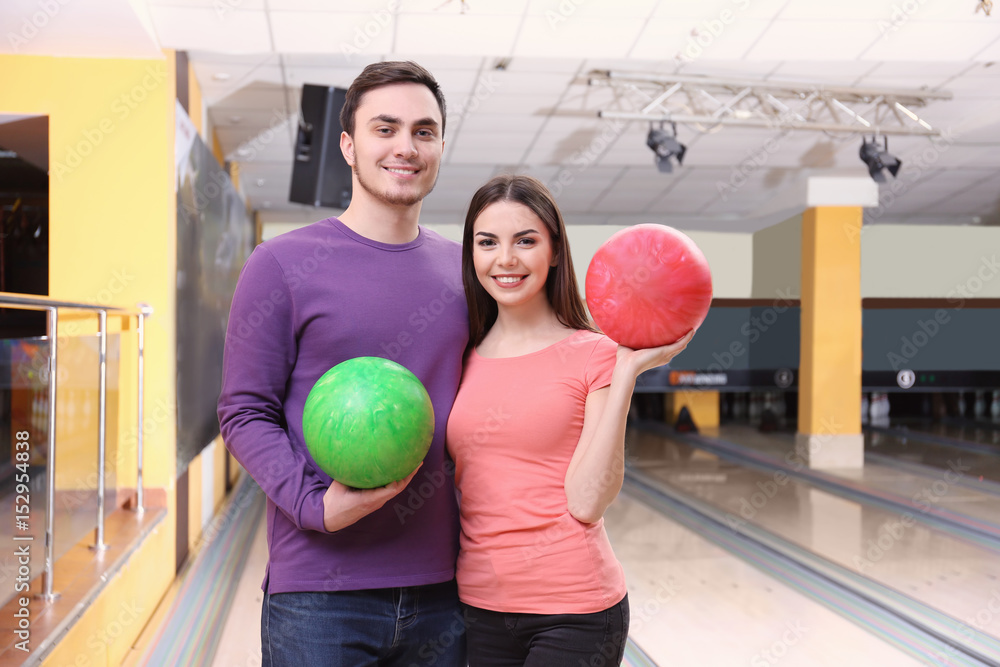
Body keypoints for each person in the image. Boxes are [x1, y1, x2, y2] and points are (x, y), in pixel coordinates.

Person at [217, 61, 469, 667]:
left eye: (424, 131)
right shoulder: (280, 264)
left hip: (449, 588)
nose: (406, 146)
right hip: (319, 596)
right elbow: (244, 410)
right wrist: (312, 505)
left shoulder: (468, 273)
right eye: (385, 128)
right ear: (349, 146)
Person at [447, 175, 694, 667]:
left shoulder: (594, 354)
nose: (506, 260)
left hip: (574, 611)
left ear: (556, 251)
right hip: (477, 606)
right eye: (487, 242)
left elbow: (587, 501)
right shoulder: (459, 354)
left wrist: (625, 375)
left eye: (526, 241)